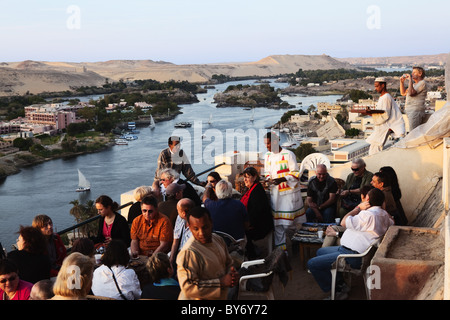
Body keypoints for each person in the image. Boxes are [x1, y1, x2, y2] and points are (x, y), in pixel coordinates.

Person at [307, 188, 394, 299]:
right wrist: (383, 208)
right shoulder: (383, 215)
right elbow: (392, 221)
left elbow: (344, 222)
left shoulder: (368, 215)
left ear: (367, 199)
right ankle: (341, 284)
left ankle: (337, 291)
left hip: (352, 256)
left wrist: (358, 208)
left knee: (312, 264)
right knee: (320, 251)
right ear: (383, 202)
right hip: (348, 250)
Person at [176, 206, 239, 300]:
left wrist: (232, 275)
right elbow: (188, 287)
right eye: (196, 229)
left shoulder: (218, 240)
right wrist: (221, 282)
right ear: (189, 227)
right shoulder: (189, 252)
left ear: (211, 223)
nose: (201, 233)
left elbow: (228, 263)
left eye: (205, 227)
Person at [263, 131, 305, 251]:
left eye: (269, 144)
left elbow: (296, 173)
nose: (267, 146)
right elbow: (267, 172)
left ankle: (295, 240)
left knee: (289, 224)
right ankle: (282, 253)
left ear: (276, 141)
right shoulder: (267, 156)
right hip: (275, 195)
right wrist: (268, 179)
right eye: (266, 144)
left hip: (288, 194)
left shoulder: (289, 154)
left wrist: (282, 179)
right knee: (278, 225)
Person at [240, 166, 274, 259]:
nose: (245, 179)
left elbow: (256, 213)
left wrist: (246, 224)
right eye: (244, 177)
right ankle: (250, 252)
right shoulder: (250, 188)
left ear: (255, 177)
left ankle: (250, 256)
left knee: (241, 232)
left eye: (248, 177)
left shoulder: (257, 191)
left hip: (260, 226)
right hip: (253, 222)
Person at [366, 77, 405, 155]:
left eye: (377, 86)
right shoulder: (383, 97)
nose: (375, 88)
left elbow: (385, 114)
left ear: (383, 85)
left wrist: (372, 113)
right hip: (383, 125)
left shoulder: (386, 97)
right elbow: (381, 113)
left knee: (376, 146)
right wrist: (370, 113)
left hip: (386, 125)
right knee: (374, 146)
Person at [169, 198, 195, 270]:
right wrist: (171, 260)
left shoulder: (196, 224)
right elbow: (176, 239)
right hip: (179, 252)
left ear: (184, 213)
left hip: (190, 256)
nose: (177, 212)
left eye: (178, 210)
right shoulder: (180, 218)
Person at [400, 66, 428, 131]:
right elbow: (403, 93)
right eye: (412, 73)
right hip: (410, 111)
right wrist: (401, 82)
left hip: (415, 111)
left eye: (414, 73)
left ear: (420, 74)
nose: (412, 74)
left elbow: (411, 93)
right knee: (413, 131)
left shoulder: (422, 83)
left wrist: (410, 80)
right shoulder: (414, 85)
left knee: (413, 132)